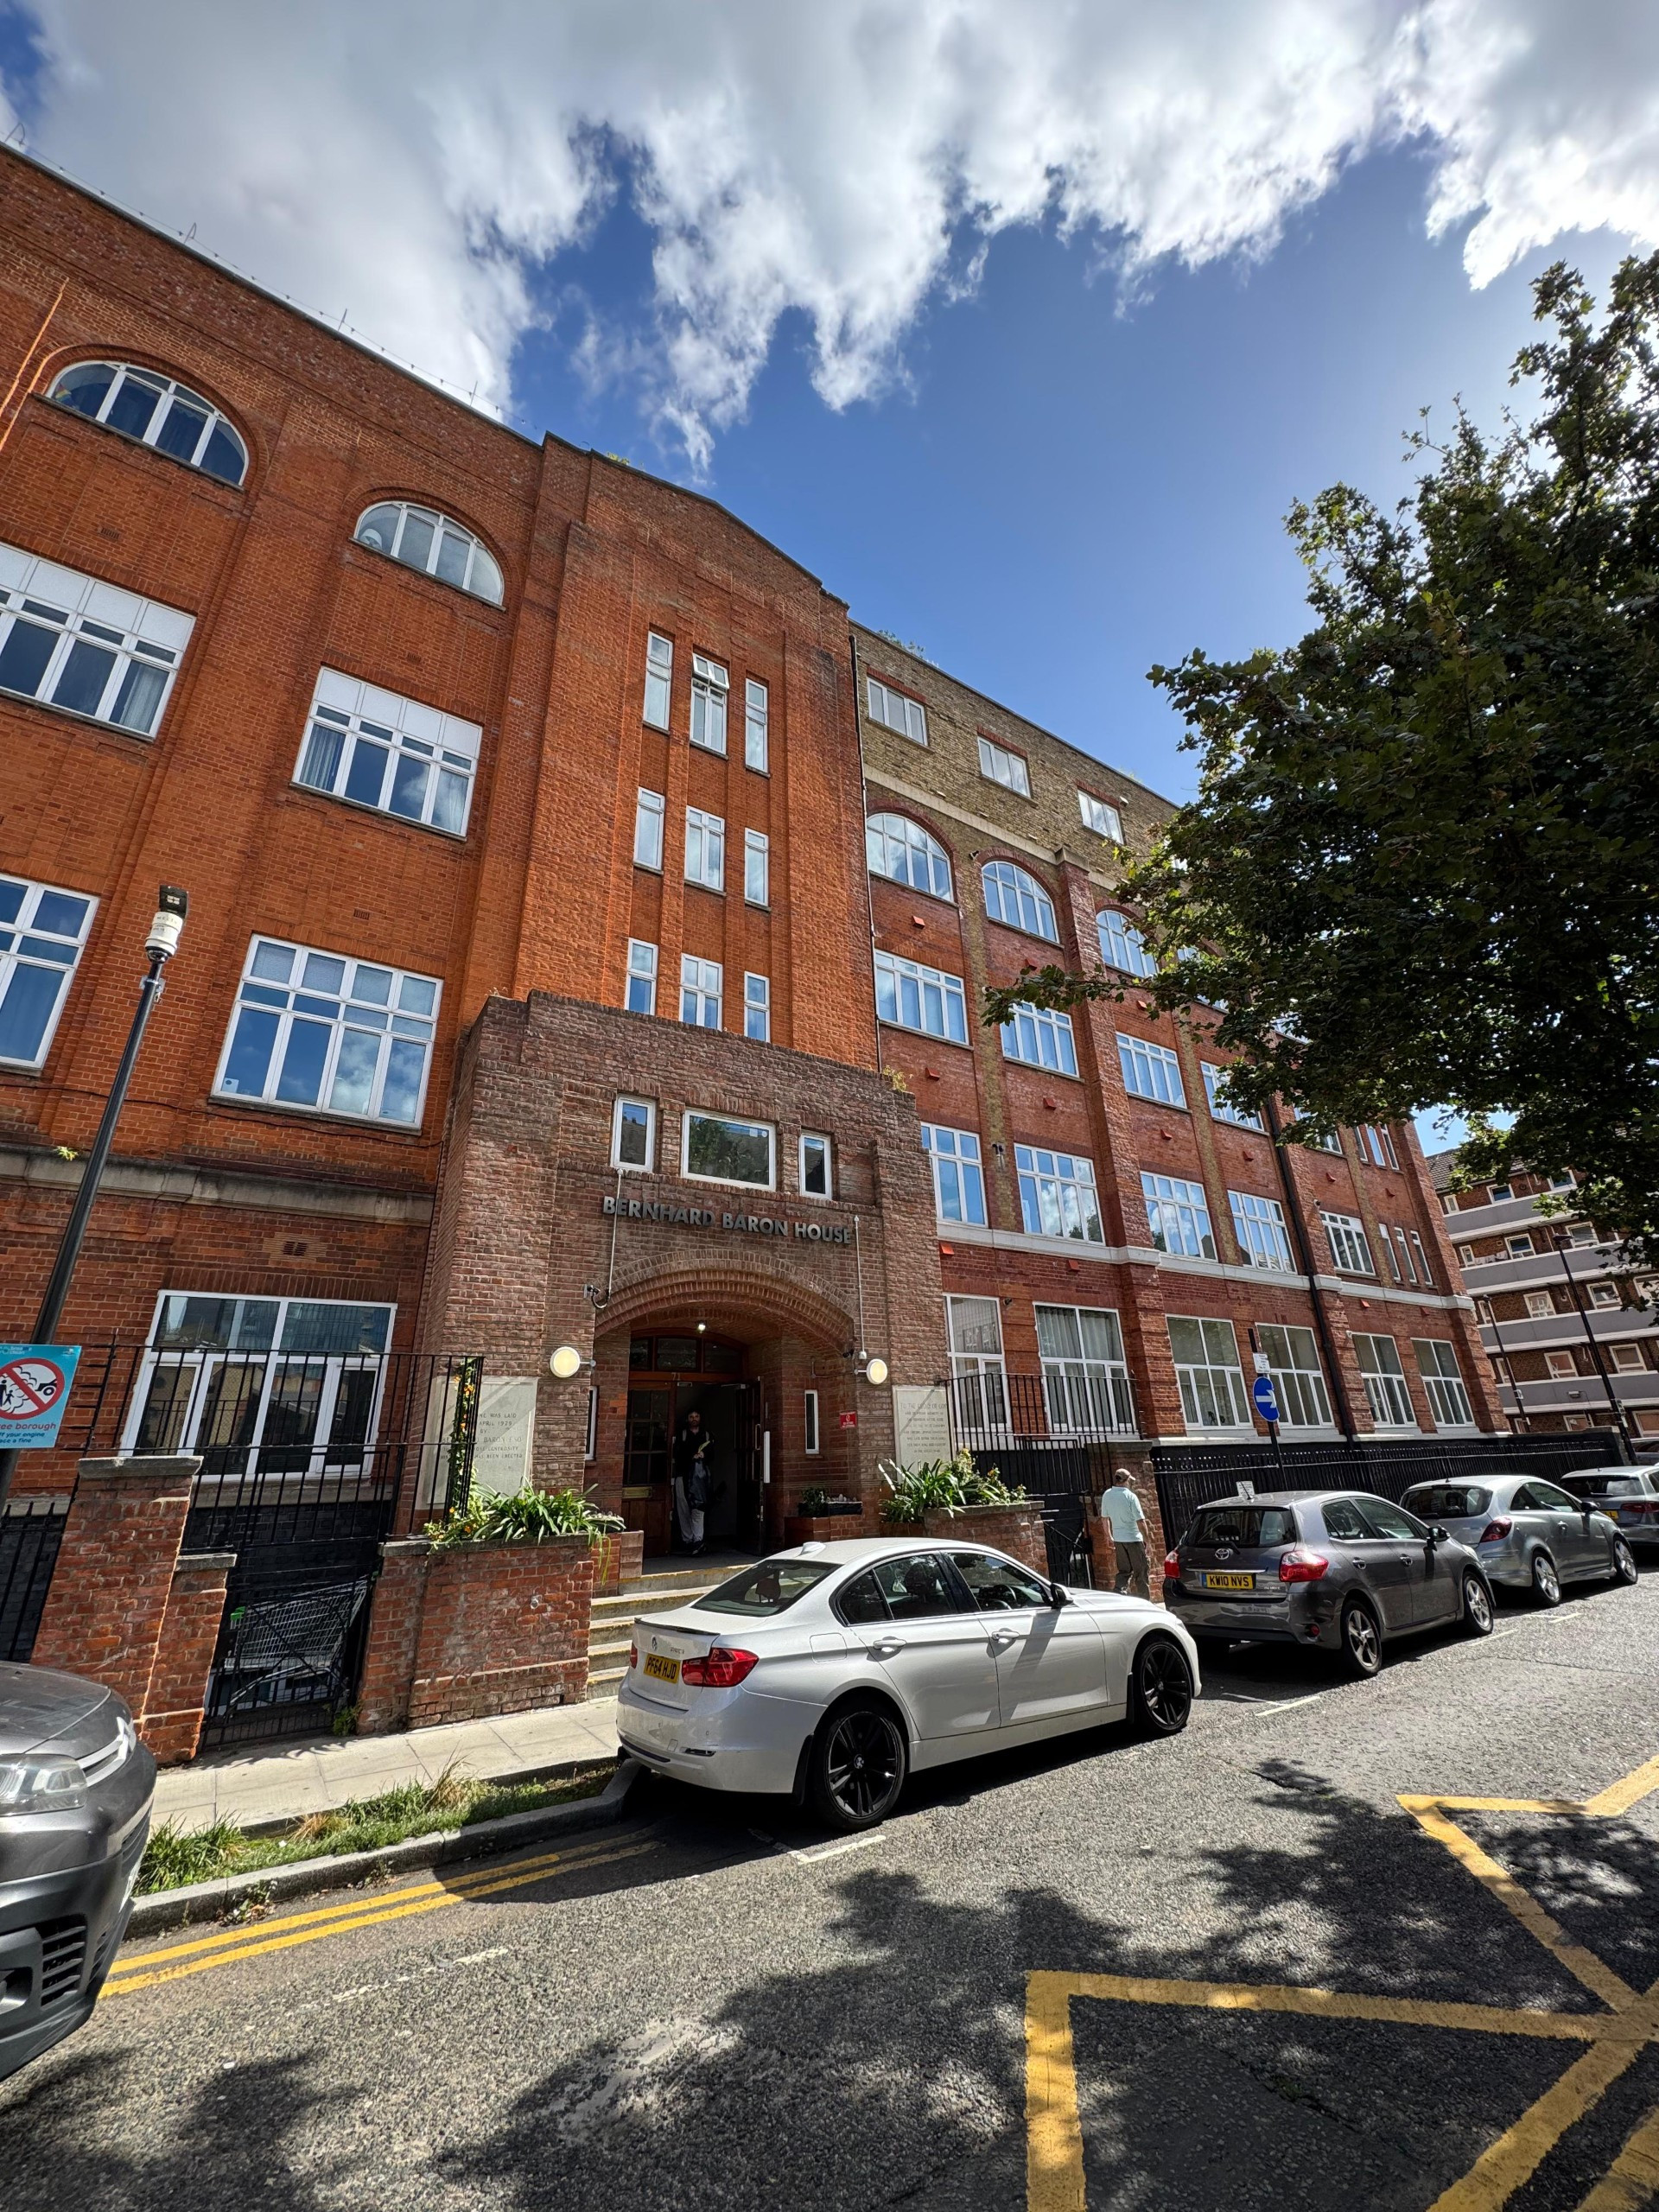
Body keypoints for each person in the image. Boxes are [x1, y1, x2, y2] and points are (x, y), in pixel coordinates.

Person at [1101, 1467, 1149, 1598]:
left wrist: (1109, 1537)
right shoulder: (1130, 1496)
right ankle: (1145, 1601)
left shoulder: (1107, 1495)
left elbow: (1105, 1519)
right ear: (1126, 1481)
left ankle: (1119, 1596)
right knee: (1141, 1572)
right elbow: (1141, 1521)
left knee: (1123, 1572)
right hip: (1134, 1539)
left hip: (1118, 1539)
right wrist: (1148, 1542)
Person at [672, 1407, 711, 1554]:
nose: (694, 1419)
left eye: (696, 1416)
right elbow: (677, 1454)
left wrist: (704, 1455)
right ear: (687, 1419)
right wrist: (691, 1457)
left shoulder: (707, 1435)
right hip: (683, 1476)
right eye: (691, 1417)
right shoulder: (682, 1435)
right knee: (683, 1508)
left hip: (700, 1478)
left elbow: (712, 1455)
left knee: (699, 1508)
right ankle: (687, 1540)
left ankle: (698, 1540)